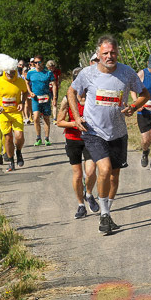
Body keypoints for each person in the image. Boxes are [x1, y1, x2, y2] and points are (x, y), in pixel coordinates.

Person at [68, 36, 149, 235]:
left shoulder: (127, 72)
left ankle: (107, 212)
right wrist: (76, 117)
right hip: (94, 132)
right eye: (105, 53)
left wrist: (133, 107)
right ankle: (104, 215)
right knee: (103, 169)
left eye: (113, 52)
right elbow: (71, 92)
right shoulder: (87, 74)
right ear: (98, 54)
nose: (109, 56)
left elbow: (144, 95)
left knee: (114, 176)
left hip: (118, 132)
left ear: (117, 52)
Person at [57, 68, 100, 219]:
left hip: (90, 138)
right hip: (73, 139)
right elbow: (59, 122)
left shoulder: (93, 97)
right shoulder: (67, 99)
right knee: (78, 174)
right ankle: (81, 205)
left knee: (91, 171)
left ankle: (89, 194)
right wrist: (75, 123)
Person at [0, 55, 30, 172]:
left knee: (19, 136)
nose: (10, 74)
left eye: (12, 72)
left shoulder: (20, 81)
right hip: (4, 114)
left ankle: (18, 152)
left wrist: (22, 102)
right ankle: (11, 161)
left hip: (16, 113)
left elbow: (25, 92)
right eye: (8, 72)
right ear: (4, 71)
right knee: (8, 138)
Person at [26, 55, 57, 146]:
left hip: (46, 98)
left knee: (46, 118)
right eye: (35, 62)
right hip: (35, 98)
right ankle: (38, 137)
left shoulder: (48, 73)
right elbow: (27, 82)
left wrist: (54, 98)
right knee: (36, 117)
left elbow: (54, 85)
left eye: (39, 62)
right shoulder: (30, 73)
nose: (37, 64)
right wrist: (30, 92)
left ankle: (47, 138)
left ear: (42, 62)